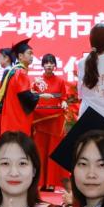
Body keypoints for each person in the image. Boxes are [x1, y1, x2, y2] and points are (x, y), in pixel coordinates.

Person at [33, 53, 69, 191]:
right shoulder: (37, 81)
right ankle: (39, 182)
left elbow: (63, 97)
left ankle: (51, 183)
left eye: (51, 62)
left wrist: (64, 102)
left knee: (53, 150)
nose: (49, 65)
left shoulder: (60, 81)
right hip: (40, 120)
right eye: (46, 62)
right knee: (40, 150)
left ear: (55, 65)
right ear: (43, 65)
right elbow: (32, 97)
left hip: (54, 120)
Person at [0, 40, 40, 135]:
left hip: (11, 119)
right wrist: (40, 96)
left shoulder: (15, 71)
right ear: (20, 56)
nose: (32, 56)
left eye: (32, 54)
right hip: (17, 120)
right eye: (29, 53)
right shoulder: (20, 72)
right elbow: (26, 96)